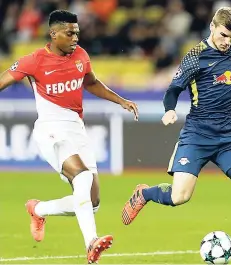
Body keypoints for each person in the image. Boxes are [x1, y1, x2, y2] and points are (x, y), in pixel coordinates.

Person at [121, 7, 231, 264]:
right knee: (180, 197)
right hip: (197, 135)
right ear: (213, 27)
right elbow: (173, 89)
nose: (228, 42)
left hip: (229, 136)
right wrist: (169, 110)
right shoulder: (195, 56)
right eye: (224, 35)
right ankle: (145, 194)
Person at [0, 10, 139, 264]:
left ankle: (38, 209)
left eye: (77, 32)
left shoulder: (81, 56)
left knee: (92, 200)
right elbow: (3, 80)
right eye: (69, 33)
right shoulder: (34, 61)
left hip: (76, 128)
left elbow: (92, 83)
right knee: (82, 177)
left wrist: (121, 100)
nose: (75, 37)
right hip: (50, 129)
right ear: (53, 34)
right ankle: (91, 243)